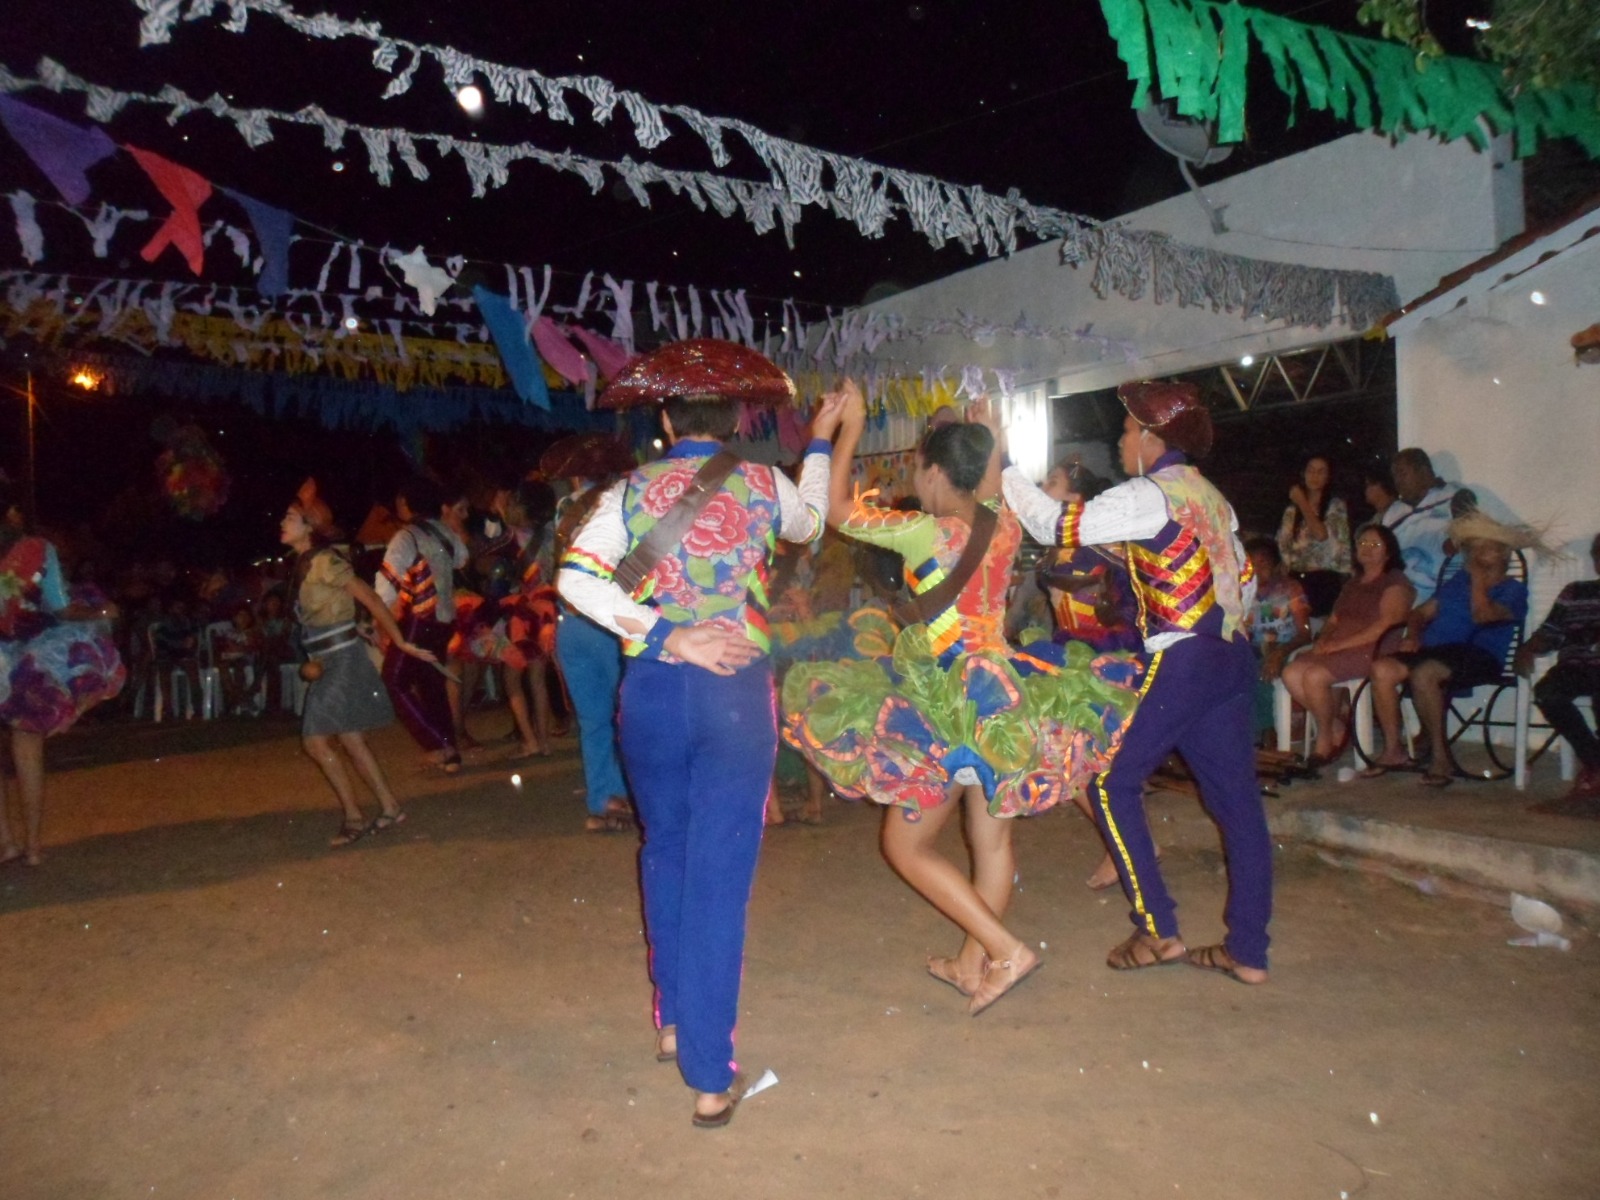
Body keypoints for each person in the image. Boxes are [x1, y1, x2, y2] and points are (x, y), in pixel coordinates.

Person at [784, 384, 1141, 1013]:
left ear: (932, 472)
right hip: (1003, 695)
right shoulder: (1002, 524)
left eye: (918, 470)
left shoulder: (922, 532)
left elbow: (835, 510)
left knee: (904, 847)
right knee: (992, 843)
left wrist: (846, 428)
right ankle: (970, 965)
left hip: (945, 702)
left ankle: (1005, 950)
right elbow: (995, 485)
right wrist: (994, 439)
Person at [557, 338, 833, 1128]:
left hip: (652, 688)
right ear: (739, 417)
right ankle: (711, 1076)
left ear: (669, 421)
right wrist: (818, 439)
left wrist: (667, 635)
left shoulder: (626, 492)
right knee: (718, 874)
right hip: (737, 690)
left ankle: (674, 1020)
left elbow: (575, 579)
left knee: (666, 850)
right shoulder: (765, 482)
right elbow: (813, 521)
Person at [999, 379, 1273, 986]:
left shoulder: (1150, 494)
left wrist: (1004, 463)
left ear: (1151, 437)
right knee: (1238, 808)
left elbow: (1051, 524)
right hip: (1230, 656)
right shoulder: (1213, 498)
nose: (1121, 442)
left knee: (1111, 783)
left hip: (1187, 659)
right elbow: (1245, 580)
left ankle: (1157, 928)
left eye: (1127, 431)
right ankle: (1248, 951)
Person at [281, 480, 437, 847]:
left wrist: (400, 640)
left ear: (309, 525)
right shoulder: (306, 563)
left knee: (316, 743)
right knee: (350, 738)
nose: (282, 523)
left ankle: (354, 817)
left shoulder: (324, 561)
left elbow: (369, 597)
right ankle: (390, 807)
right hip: (331, 658)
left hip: (340, 662)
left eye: (289, 517)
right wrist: (359, 628)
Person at [0, 481, 125, 866]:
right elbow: (61, 608)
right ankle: (33, 847)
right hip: (29, 658)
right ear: (12, 513)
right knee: (27, 745)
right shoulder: (36, 550)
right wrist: (101, 612)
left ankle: (6, 843)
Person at [1361, 514, 1529, 787]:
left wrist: (1477, 581)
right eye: (1473, 548)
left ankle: (1440, 757)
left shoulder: (1513, 589)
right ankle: (1393, 750)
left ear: (1503, 554)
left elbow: (1482, 616)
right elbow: (1419, 613)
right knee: (1381, 668)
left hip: (1478, 655)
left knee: (1424, 673)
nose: (1476, 555)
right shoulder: (1457, 582)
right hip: (1433, 651)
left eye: (1485, 549)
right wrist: (1413, 635)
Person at [549, 446, 635, 834]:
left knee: (593, 721)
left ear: (576, 475)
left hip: (571, 622)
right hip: (608, 623)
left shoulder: (565, 509)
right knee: (626, 715)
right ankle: (630, 796)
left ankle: (602, 800)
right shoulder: (623, 503)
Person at [1280, 523, 1414, 764]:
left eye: (1375, 544)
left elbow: (1385, 625)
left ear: (1388, 551)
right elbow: (1333, 620)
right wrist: (1323, 639)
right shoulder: (1353, 583)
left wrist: (1338, 646)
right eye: (1362, 543)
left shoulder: (1395, 581)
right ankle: (1335, 726)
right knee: (1291, 673)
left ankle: (1324, 740)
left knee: (1314, 676)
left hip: (1372, 649)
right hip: (1338, 646)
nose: (1367, 548)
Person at [376, 476, 469, 773]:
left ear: (406, 503)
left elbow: (385, 584)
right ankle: (450, 752)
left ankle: (438, 745)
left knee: (395, 680)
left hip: (418, 620)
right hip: (444, 620)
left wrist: (383, 619)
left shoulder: (406, 537)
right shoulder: (444, 532)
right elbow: (462, 559)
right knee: (432, 686)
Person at [1516, 532, 1600, 804]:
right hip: (1575, 666)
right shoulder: (1575, 591)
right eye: (1598, 555)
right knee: (1548, 693)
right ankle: (1595, 761)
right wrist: (1528, 648)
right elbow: (1550, 632)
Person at [1384, 448, 1477, 601]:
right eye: (1395, 476)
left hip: (1444, 591)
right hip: (1400, 592)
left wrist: (1457, 540)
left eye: (1402, 473)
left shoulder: (1454, 495)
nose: (1397, 481)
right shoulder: (1394, 512)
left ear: (1424, 471)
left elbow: (1470, 536)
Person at [1245, 536, 1313, 743]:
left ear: (1275, 565)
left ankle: (1269, 735)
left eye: (1263, 563)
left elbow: (1305, 632)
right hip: (1254, 649)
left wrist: (1280, 652)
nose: (1257, 569)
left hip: (1287, 648)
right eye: (1252, 564)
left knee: (1263, 672)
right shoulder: (1244, 592)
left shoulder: (1290, 589)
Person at [1277, 455, 1351, 616]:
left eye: (1321, 471)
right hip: (1295, 579)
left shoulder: (1335, 506)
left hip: (1322, 581)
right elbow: (1283, 544)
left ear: (1328, 477)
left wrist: (1302, 501)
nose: (1314, 476)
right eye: (1310, 470)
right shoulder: (1292, 510)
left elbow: (1321, 535)